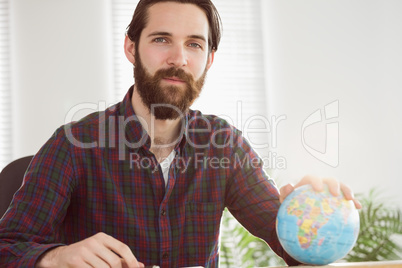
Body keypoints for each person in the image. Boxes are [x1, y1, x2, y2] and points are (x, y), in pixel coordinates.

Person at [0, 0, 361, 267]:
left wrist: (312, 214)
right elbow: (8, 245)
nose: (179, 58)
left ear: (209, 58)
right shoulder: (74, 144)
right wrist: (55, 257)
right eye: (161, 40)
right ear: (131, 47)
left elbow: (289, 245)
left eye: (194, 44)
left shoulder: (226, 144)